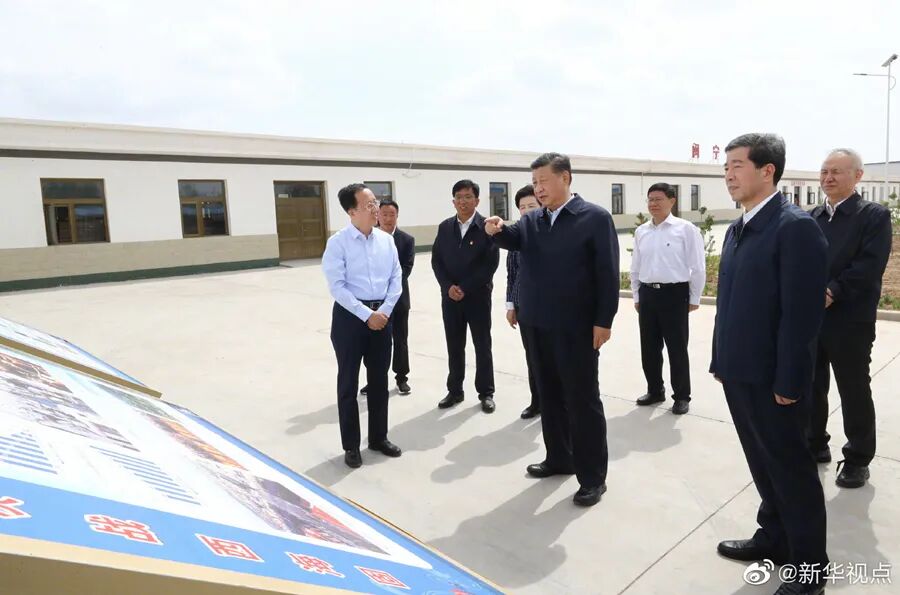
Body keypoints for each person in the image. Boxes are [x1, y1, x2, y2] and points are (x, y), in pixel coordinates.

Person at [711, 134, 828, 595]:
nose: (728, 175)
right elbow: (730, 302)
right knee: (762, 463)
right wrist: (721, 358)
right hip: (740, 370)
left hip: (774, 378)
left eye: (737, 166)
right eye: (726, 168)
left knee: (792, 472)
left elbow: (802, 316)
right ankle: (775, 537)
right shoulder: (739, 227)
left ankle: (810, 570)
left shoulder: (793, 227)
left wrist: (790, 380)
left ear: (767, 171)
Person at [485, 152, 619, 507]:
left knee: (582, 401)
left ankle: (593, 477)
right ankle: (559, 458)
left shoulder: (594, 218)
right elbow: (511, 237)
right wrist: (496, 228)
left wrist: (604, 320)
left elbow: (607, 274)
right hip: (536, 324)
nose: (539, 189)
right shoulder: (533, 220)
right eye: (534, 183)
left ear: (566, 178)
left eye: (544, 181)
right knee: (549, 396)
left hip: (576, 327)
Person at [808, 148, 891, 488]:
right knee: (811, 385)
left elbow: (869, 266)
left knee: (853, 389)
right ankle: (814, 443)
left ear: (857, 176)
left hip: (850, 320)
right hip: (811, 318)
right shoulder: (812, 217)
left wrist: (832, 291)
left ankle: (858, 459)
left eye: (837, 172)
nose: (828, 178)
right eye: (824, 171)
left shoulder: (873, 216)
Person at [322, 183, 403, 469]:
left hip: (382, 317)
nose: (376, 208)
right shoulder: (338, 243)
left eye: (375, 203)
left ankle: (378, 437)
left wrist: (384, 311)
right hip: (350, 319)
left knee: (380, 381)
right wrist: (366, 314)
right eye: (369, 205)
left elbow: (396, 278)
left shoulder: (386, 241)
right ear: (351, 211)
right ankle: (351, 445)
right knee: (348, 384)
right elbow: (337, 287)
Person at [631, 182, 706, 415]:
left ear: (672, 201)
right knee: (649, 347)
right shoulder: (641, 231)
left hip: (674, 294)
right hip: (647, 294)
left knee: (677, 348)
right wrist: (636, 295)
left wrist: (694, 297)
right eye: (650, 199)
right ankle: (655, 390)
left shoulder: (685, 229)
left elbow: (698, 267)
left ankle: (682, 396)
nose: (653, 204)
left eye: (658, 199)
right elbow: (635, 267)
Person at [431, 179, 500, 413]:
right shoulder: (444, 227)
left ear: (477, 200)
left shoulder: (486, 227)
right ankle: (455, 391)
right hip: (450, 299)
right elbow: (437, 261)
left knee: (482, 345)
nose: (463, 201)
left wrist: (465, 288)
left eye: (468, 197)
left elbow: (490, 264)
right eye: (459, 197)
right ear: (453, 202)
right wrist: (448, 286)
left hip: (477, 298)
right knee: (454, 345)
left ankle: (486, 392)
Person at [361, 199, 415, 396]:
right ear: (378, 216)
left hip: (398, 301)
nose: (388, 218)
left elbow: (405, 270)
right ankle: (374, 380)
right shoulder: (368, 238)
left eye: (392, 214)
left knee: (400, 340)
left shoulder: (406, 240)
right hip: (373, 302)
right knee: (374, 344)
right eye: (384, 214)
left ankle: (401, 378)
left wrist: (386, 287)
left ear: (397, 216)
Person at [505, 184, 542, 419]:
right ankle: (536, 402)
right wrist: (510, 305)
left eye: (531, 206)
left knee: (552, 359)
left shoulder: (550, 232)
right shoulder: (516, 235)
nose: (527, 211)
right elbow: (511, 273)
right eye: (522, 207)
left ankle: (556, 404)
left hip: (548, 308)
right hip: (523, 306)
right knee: (532, 357)